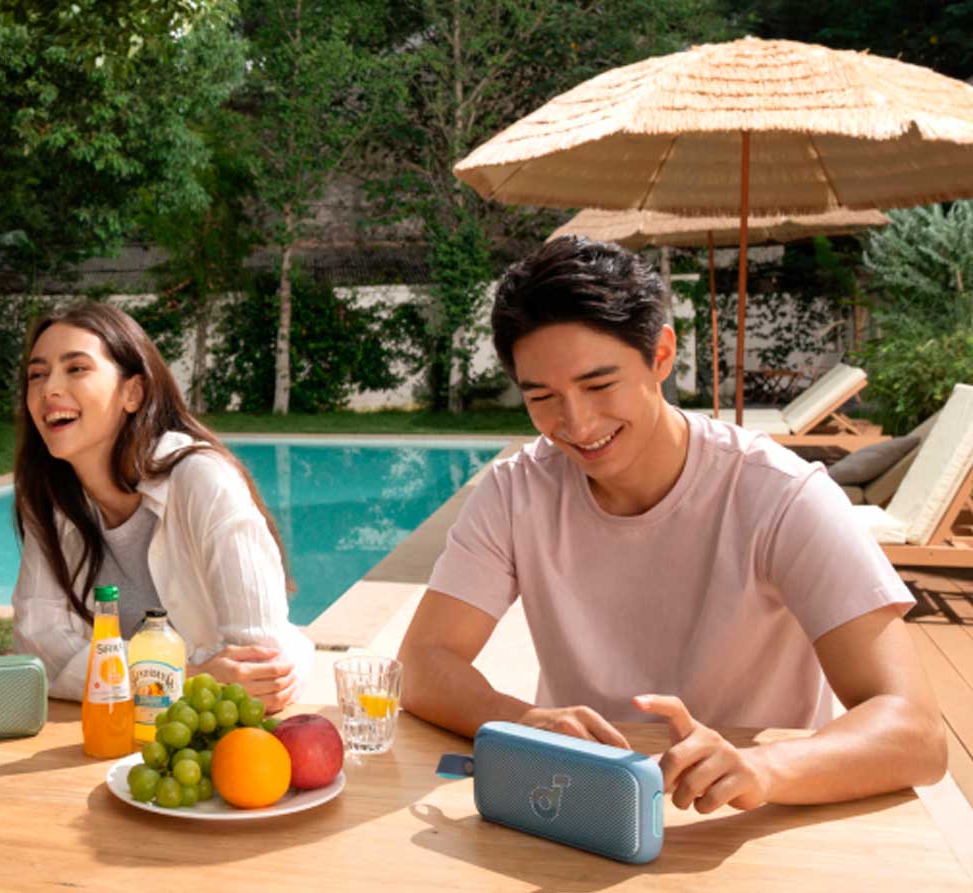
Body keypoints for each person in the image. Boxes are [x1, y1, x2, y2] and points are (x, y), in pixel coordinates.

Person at [398, 237, 945, 812]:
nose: (576, 424)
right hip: (583, 806)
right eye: (543, 397)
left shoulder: (782, 495)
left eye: (598, 385)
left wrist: (761, 768)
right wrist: (522, 722)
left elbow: (917, 732)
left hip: (747, 819)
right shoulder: (516, 492)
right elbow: (422, 663)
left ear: (661, 355)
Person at [11, 302, 313, 712]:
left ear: (132, 392)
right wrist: (186, 678)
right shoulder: (48, 498)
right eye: (37, 374)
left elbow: (259, 664)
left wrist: (118, 676)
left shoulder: (202, 478)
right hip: (122, 729)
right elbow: (40, 650)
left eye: (76, 368)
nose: (49, 389)